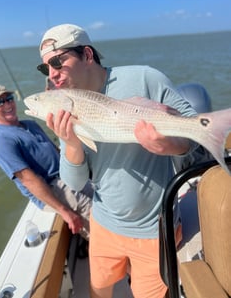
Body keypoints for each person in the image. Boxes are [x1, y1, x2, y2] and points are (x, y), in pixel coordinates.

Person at [37, 24, 197, 298]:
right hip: (103, 225)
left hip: (154, 230)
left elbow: (193, 131)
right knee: (98, 292)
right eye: (45, 68)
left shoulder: (146, 78)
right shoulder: (64, 103)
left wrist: (169, 144)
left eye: (57, 61)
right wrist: (72, 143)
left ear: (87, 54)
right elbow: (74, 182)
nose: (52, 73)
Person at [0, 84, 93, 240]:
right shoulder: (0, 141)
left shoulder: (31, 124)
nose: (7, 104)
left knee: (105, 203)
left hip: (68, 175)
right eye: (0, 102)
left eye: (9, 99)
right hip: (54, 187)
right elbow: (28, 180)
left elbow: (56, 150)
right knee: (97, 219)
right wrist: (64, 211)